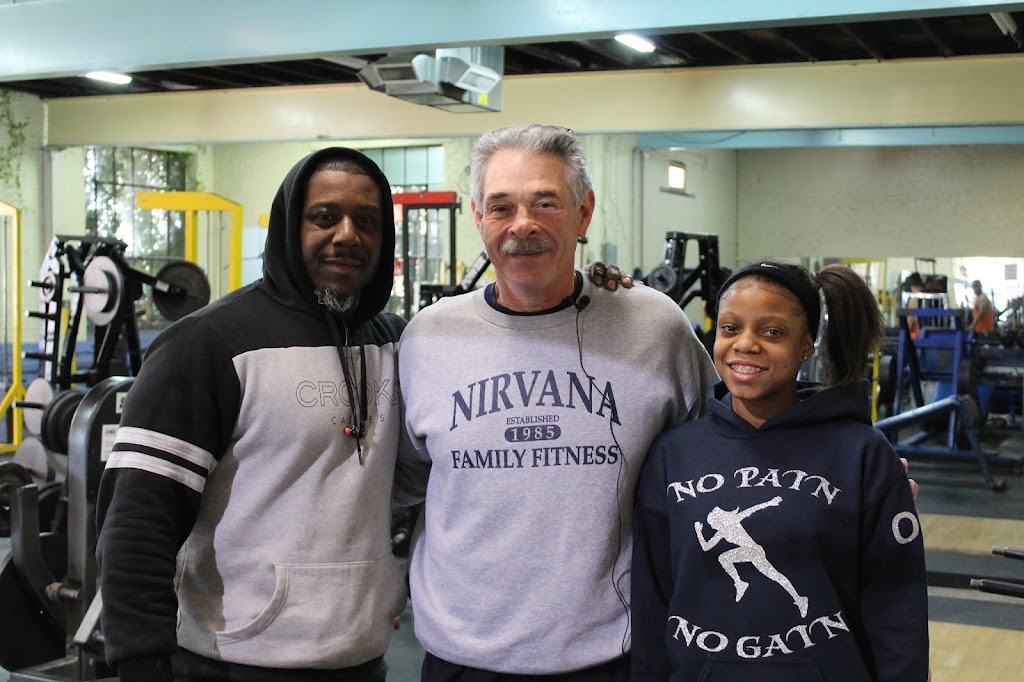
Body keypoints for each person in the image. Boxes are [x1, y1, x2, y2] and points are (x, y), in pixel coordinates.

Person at [395, 124, 719, 680]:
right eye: (501, 207)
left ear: (583, 213)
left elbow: (727, 457)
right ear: (478, 218)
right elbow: (397, 480)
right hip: (462, 658)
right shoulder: (427, 338)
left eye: (545, 203)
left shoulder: (653, 326)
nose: (522, 224)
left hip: (610, 657)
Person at [95, 148, 411, 681]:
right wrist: (140, 658)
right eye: (325, 217)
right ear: (290, 225)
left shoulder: (394, 344)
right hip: (231, 662)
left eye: (367, 221)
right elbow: (138, 519)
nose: (348, 235)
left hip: (360, 660)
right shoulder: (206, 344)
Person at [631, 261, 929, 681]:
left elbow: (898, 607)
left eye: (772, 332)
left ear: (806, 345)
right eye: (730, 328)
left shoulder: (862, 453)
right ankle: (744, 584)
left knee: (770, 574)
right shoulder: (672, 454)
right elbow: (652, 601)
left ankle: (789, 596)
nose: (745, 344)